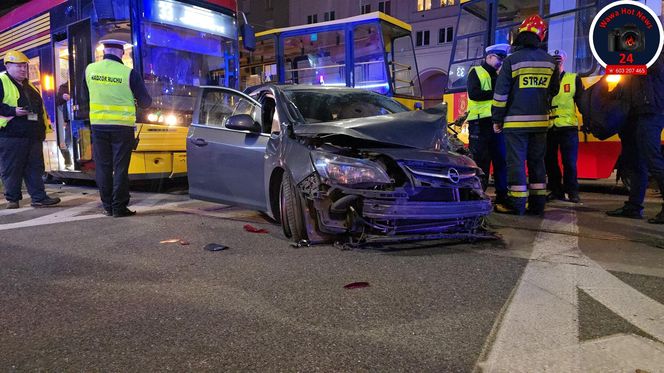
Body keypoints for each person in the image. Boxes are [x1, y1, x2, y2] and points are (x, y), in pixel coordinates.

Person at [492, 15, 560, 215]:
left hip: (515, 124)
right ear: (541, 36)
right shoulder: (549, 61)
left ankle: (517, 204)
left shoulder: (512, 60)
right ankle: (538, 205)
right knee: (537, 162)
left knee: (516, 163)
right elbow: (554, 90)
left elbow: (501, 94)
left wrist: (497, 119)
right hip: (540, 123)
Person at [84, 38, 152, 217]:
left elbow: (86, 94)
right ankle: (119, 207)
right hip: (122, 127)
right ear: (122, 53)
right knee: (120, 167)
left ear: (104, 51)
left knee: (103, 167)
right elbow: (146, 102)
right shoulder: (128, 73)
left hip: (98, 126)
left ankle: (107, 206)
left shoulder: (90, 69)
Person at [606, 53, 664, 224]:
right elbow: (627, 82)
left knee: (653, 159)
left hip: (650, 112)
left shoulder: (655, 53)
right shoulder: (634, 58)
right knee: (637, 161)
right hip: (635, 113)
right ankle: (633, 207)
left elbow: (651, 68)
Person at [0, 50, 61, 209]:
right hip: (11, 135)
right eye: (19, 66)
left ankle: (39, 198)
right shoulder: (2, 81)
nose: (23, 69)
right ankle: (13, 200)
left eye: (24, 66)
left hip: (32, 135)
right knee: (12, 168)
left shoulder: (30, 86)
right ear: (8, 66)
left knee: (35, 168)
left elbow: (39, 109)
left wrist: (42, 131)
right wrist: (13, 111)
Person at [466, 43, 510, 205]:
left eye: (502, 59)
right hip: (480, 124)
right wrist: (497, 94)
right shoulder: (476, 72)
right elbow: (475, 94)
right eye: (499, 58)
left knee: (500, 160)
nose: (500, 62)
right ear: (489, 56)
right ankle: (477, 194)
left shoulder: (499, 76)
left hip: (496, 124)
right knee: (480, 161)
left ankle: (502, 195)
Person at [545, 49, 585, 203]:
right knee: (550, 162)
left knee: (569, 162)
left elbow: (581, 102)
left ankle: (572, 192)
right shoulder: (546, 80)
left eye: (559, 58)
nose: (557, 61)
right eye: (554, 59)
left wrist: (588, 121)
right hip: (549, 127)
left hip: (568, 127)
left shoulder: (573, 78)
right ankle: (556, 191)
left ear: (564, 60)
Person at [55, 80, 73, 168]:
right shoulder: (64, 87)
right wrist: (63, 97)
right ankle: (68, 161)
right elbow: (57, 101)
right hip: (70, 119)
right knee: (68, 141)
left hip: (81, 117)